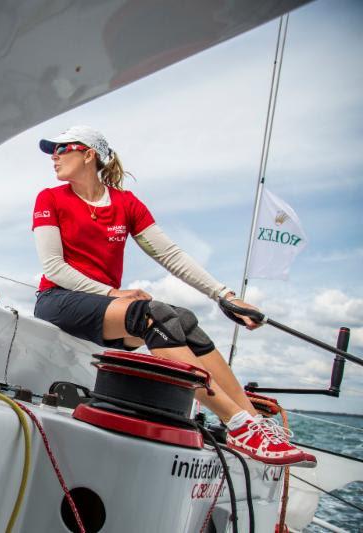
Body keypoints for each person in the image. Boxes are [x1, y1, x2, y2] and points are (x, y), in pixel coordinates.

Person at [32, 125, 314, 468]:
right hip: (59, 301)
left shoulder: (125, 204)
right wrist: (112, 292)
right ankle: (237, 424)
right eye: (53, 151)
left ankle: (251, 420)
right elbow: (54, 267)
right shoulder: (50, 197)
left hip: (107, 307)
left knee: (183, 319)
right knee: (147, 314)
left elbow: (171, 256)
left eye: (62, 148)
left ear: (89, 154)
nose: (54, 156)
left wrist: (225, 296)